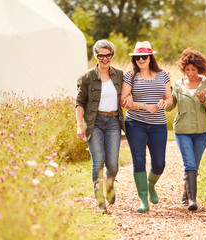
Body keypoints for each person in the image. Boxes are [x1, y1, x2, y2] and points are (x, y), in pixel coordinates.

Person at [120, 41, 173, 213]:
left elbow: (169, 98)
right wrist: (144, 106)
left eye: (144, 56)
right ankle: (143, 200)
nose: (141, 59)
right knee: (139, 160)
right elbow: (124, 101)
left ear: (150, 57)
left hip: (158, 124)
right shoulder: (130, 77)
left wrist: (164, 103)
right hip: (135, 124)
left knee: (159, 164)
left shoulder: (163, 75)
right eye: (137, 57)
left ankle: (151, 185)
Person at [166, 48, 206, 210]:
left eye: (193, 70)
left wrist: (204, 99)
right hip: (182, 131)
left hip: (202, 132)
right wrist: (165, 88)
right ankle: (192, 201)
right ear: (183, 69)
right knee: (189, 165)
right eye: (187, 69)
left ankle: (186, 193)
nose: (190, 73)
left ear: (200, 69)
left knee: (194, 166)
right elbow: (169, 108)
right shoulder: (177, 85)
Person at [75, 39, 125, 214]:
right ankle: (100, 202)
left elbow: (127, 95)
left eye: (108, 55)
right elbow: (79, 103)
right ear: (95, 56)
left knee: (113, 165)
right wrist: (79, 126)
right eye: (101, 55)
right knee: (98, 162)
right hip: (94, 123)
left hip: (113, 123)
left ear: (112, 55)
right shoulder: (87, 77)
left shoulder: (119, 74)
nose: (105, 58)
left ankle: (110, 186)